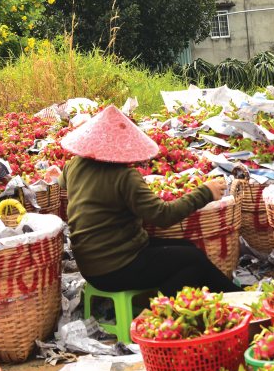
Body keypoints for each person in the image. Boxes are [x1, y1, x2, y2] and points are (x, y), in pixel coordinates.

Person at [61, 105, 238, 295]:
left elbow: (63, 183)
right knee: (194, 260)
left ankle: (232, 295)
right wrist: (206, 192)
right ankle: (163, 306)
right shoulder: (125, 177)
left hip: (89, 264)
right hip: (115, 267)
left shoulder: (74, 165)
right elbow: (163, 216)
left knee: (187, 247)